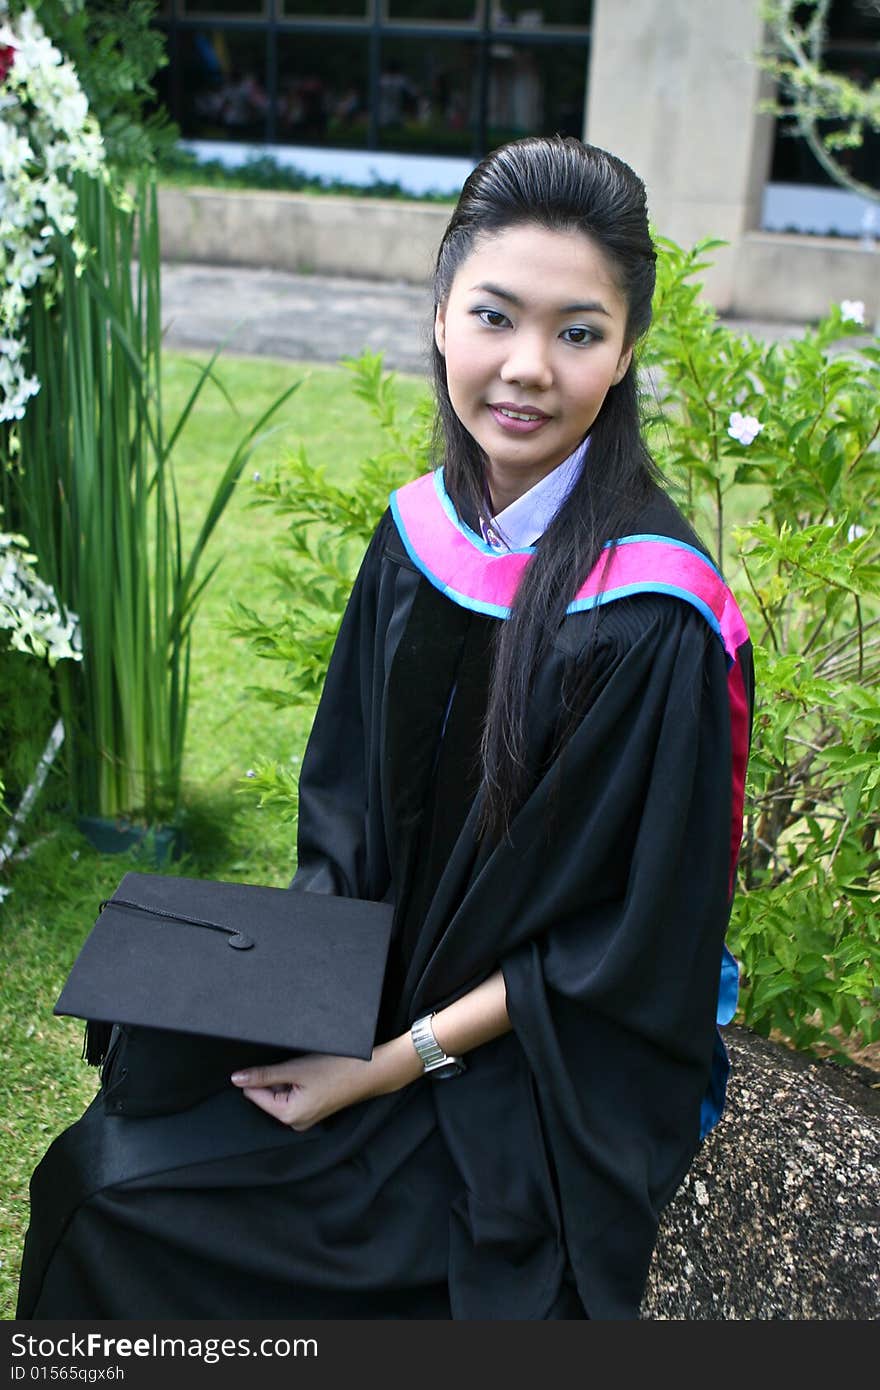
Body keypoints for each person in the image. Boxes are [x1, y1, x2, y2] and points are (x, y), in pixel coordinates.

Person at [17, 135, 752, 1321]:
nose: (526, 368)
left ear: (623, 357)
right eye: (495, 316)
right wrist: (264, 995)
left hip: (534, 1063)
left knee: (158, 1217)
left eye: (577, 332)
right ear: (439, 316)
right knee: (111, 1152)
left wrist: (385, 1064)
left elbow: (626, 939)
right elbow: (347, 820)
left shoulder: (656, 615)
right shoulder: (422, 535)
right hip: (373, 990)